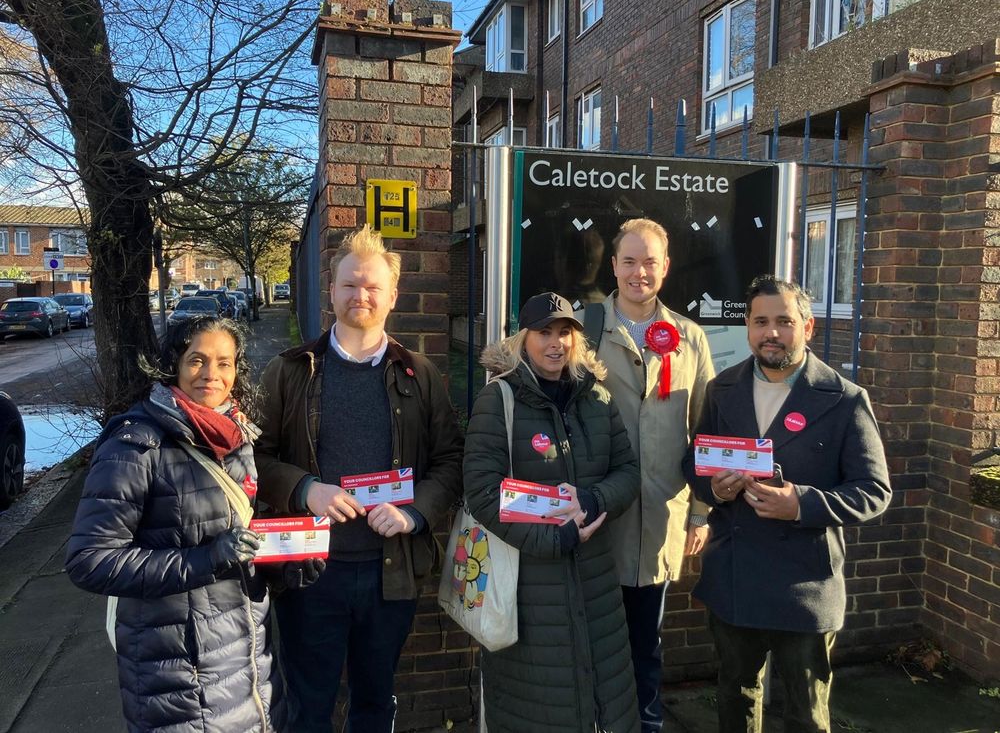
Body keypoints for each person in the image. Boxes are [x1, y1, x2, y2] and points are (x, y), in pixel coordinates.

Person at [254, 225, 464, 733]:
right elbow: (253, 459)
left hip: (389, 574)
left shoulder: (420, 374)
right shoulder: (289, 371)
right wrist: (306, 489)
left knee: (375, 702)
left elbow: (451, 461)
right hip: (309, 573)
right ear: (331, 290)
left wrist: (415, 514)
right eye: (349, 284)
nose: (360, 295)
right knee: (308, 705)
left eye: (372, 286)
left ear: (393, 296)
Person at [66, 314, 319, 732]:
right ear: (174, 365)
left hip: (249, 668)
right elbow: (90, 560)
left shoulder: (236, 437)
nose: (211, 375)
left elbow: (236, 540)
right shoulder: (136, 445)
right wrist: (206, 560)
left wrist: (284, 564)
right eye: (197, 360)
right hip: (177, 680)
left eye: (224, 363)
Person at [682, 275, 892, 733]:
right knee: (735, 702)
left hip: (806, 583)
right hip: (735, 578)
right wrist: (715, 489)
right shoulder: (722, 390)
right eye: (760, 322)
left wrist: (800, 504)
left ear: (808, 327)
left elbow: (874, 491)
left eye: (783, 321)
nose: (770, 332)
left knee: (806, 715)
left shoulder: (844, 400)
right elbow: (694, 464)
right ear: (748, 329)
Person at [464, 291, 641, 733]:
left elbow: (628, 471)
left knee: (606, 703)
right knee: (536, 708)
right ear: (524, 339)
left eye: (565, 332)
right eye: (544, 333)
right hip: (527, 586)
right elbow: (483, 493)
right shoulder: (498, 399)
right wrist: (555, 539)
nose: (555, 343)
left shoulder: (597, 399)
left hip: (596, 581)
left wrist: (595, 499)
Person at [584, 217, 715, 732]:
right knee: (595, 640)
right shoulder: (582, 328)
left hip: (661, 517)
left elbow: (706, 428)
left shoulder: (690, 337)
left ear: (666, 267)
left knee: (647, 643)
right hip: (596, 517)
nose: (640, 272)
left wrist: (701, 512)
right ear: (613, 265)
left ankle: (645, 724)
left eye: (651, 262)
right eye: (630, 261)